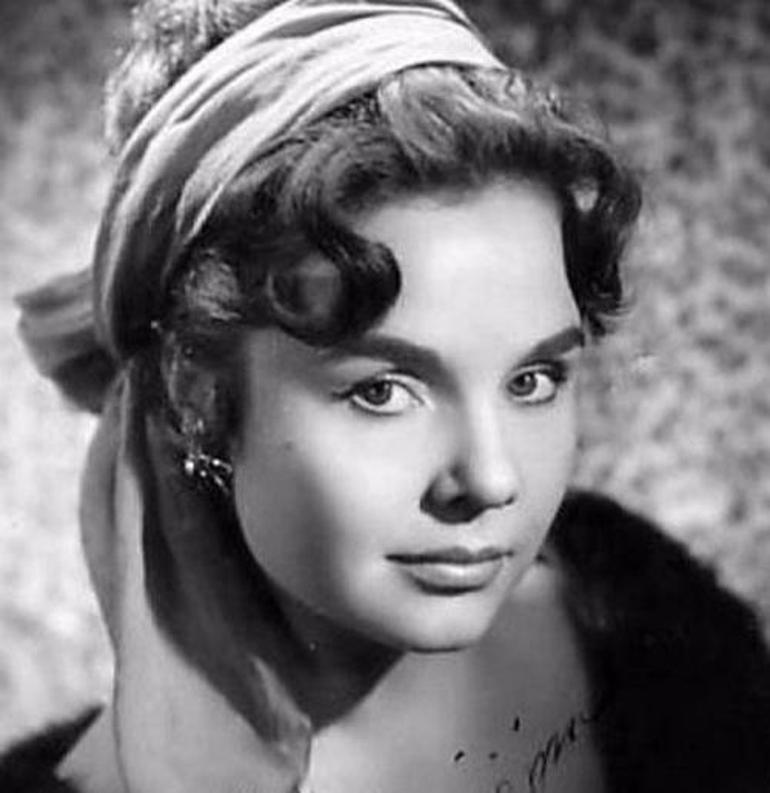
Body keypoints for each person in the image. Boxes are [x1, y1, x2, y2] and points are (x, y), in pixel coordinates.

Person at [2, 0, 770, 791]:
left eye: (532, 380)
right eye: (383, 391)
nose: (491, 479)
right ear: (196, 395)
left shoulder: (643, 614)